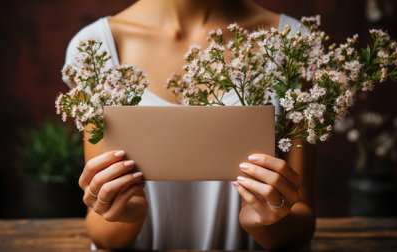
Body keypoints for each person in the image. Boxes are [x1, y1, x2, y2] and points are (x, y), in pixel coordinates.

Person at [63, 0, 316, 250]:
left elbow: (302, 219)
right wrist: (125, 217)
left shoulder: (292, 41)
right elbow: (101, 230)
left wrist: (264, 224)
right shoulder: (95, 46)